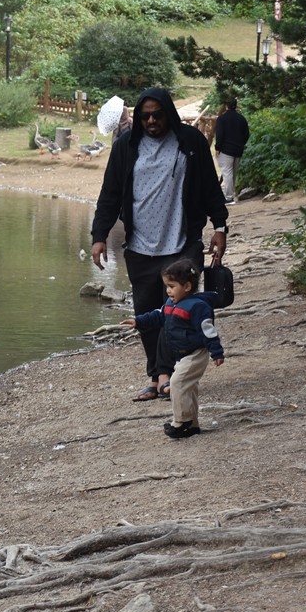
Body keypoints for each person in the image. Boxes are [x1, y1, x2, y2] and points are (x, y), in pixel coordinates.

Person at [91, 87, 229, 403]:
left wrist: (220, 228)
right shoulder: (127, 146)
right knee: (148, 313)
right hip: (140, 247)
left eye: (158, 114)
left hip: (182, 244)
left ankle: (171, 374)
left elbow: (210, 188)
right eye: (145, 116)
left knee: (178, 312)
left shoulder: (190, 143)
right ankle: (158, 377)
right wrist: (99, 237)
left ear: (168, 112)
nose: (152, 121)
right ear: (138, 118)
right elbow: (110, 194)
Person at [119, 258, 225, 438]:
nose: (168, 290)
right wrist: (138, 321)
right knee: (188, 387)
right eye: (166, 286)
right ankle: (192, 424)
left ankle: (180, 422)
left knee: (177, 383)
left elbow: (208, 330)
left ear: (187, 287)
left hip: (196, 353)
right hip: (181, 354)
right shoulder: (170, 304)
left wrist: (217, 352)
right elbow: (157, 316)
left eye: (172, 286)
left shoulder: (198, 306)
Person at [213, 98, 250, 204]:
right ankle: (231, 195)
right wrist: (241, 144)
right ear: (236, 105)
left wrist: (217, 147)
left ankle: (229, 197)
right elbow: (246, 134)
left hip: (225, 150)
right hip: (238, 149)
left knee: (227, 172)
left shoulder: (222, 119)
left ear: (226, 106)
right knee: (233, 173)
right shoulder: (241, 118)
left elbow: (220, 134)